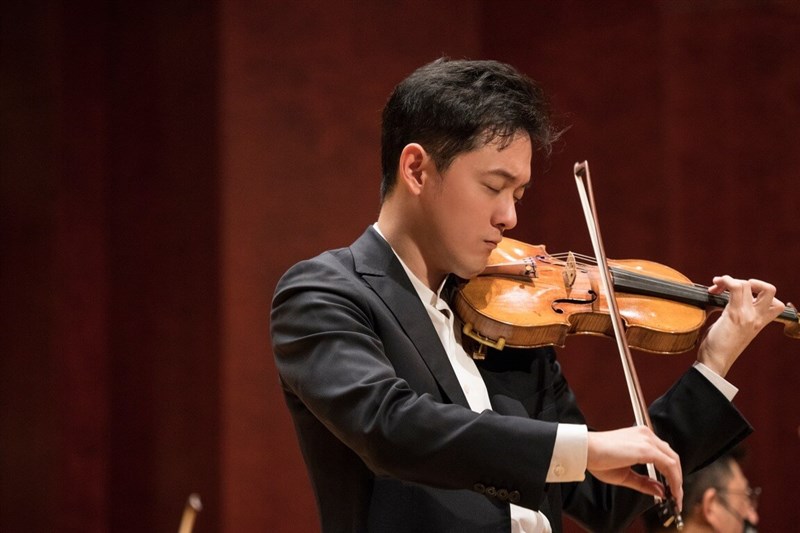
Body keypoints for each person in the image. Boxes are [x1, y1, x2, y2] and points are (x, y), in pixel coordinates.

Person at [270, 58, 784, 532]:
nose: (509, 219)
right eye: (493, 187)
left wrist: (714, 364)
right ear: (417, 169)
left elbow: (603, 498)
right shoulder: (326, 293)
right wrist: (581, 448)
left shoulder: (503, 315)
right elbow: (390, 426)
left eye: (517, 195)